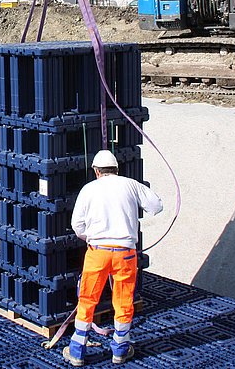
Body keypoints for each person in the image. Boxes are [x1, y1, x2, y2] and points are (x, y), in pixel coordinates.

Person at [63, 150, 163, 366]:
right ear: (117, 169)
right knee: (124, 300)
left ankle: (77, 351)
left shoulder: (88, 189)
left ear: (97, 172)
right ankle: (120, 350)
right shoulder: (131, 184)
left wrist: (90, 237)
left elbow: (76, 225)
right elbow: (157, 206)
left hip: (97, 251)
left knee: (87, 299)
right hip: (125, 253)